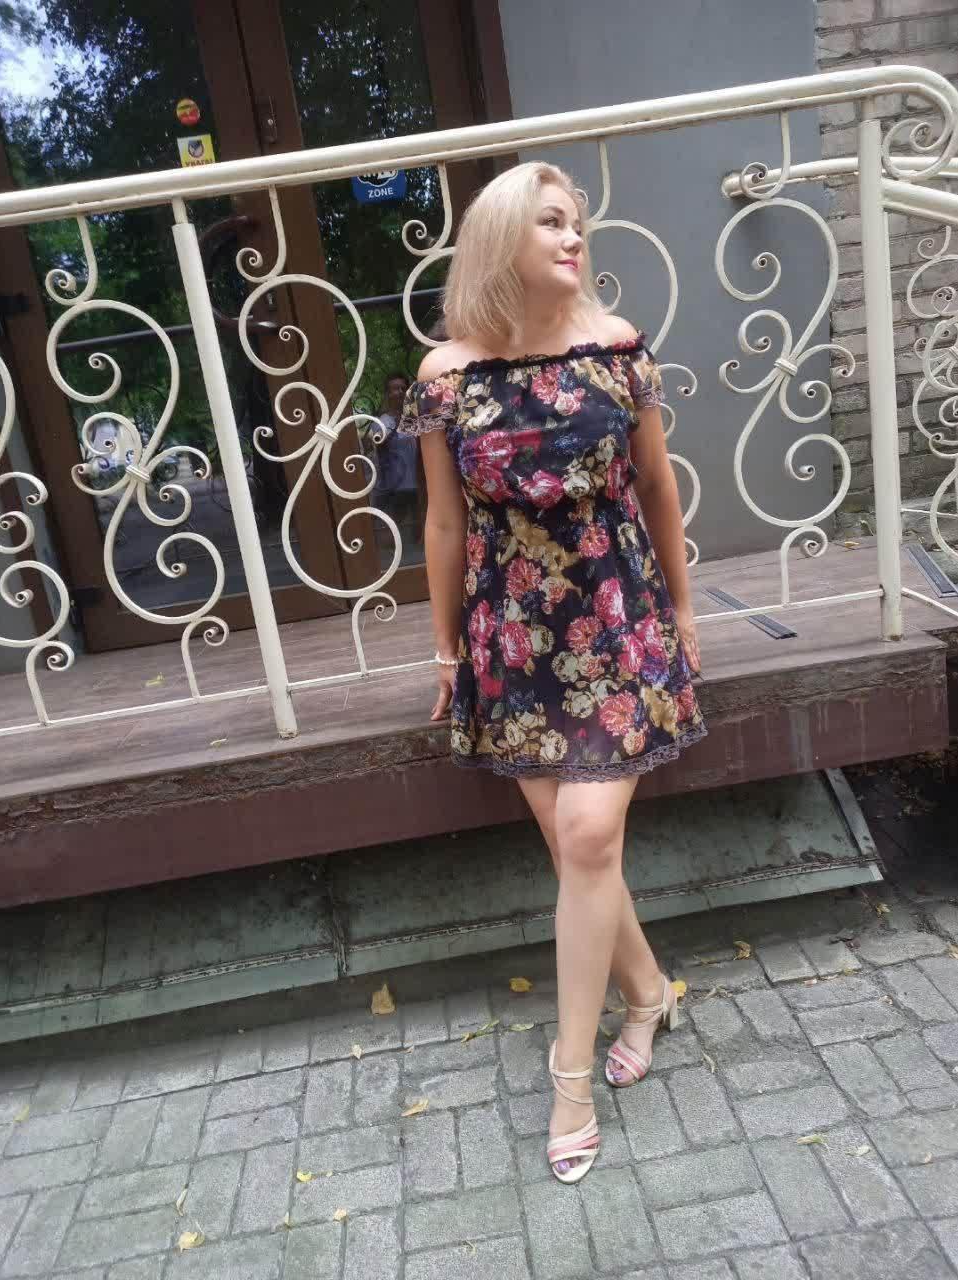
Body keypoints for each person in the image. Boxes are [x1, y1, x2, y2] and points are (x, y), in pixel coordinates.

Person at [396, 160, 707, 1184]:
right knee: (580, 851)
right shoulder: (446, 376)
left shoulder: (617, 350)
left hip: (617, 617)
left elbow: (656, 487)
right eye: (549, 223)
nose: (573, 238)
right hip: (513, 638)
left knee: (584, 835)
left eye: (576, 223)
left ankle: (568, 1078)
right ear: (500, 242)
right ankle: (649, 991)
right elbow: (445, 526)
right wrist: (447, 650)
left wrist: (683, 611)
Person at [371, 371, 419, 539]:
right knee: (393, 532)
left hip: (417, 484)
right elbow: (378, 442)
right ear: (387, 393)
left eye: (403, 388)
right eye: (394, 389)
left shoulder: (414, 418)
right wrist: (395, 421)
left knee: (419, 531)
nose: (399, 392)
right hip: (395, 486)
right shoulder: (382, 421)